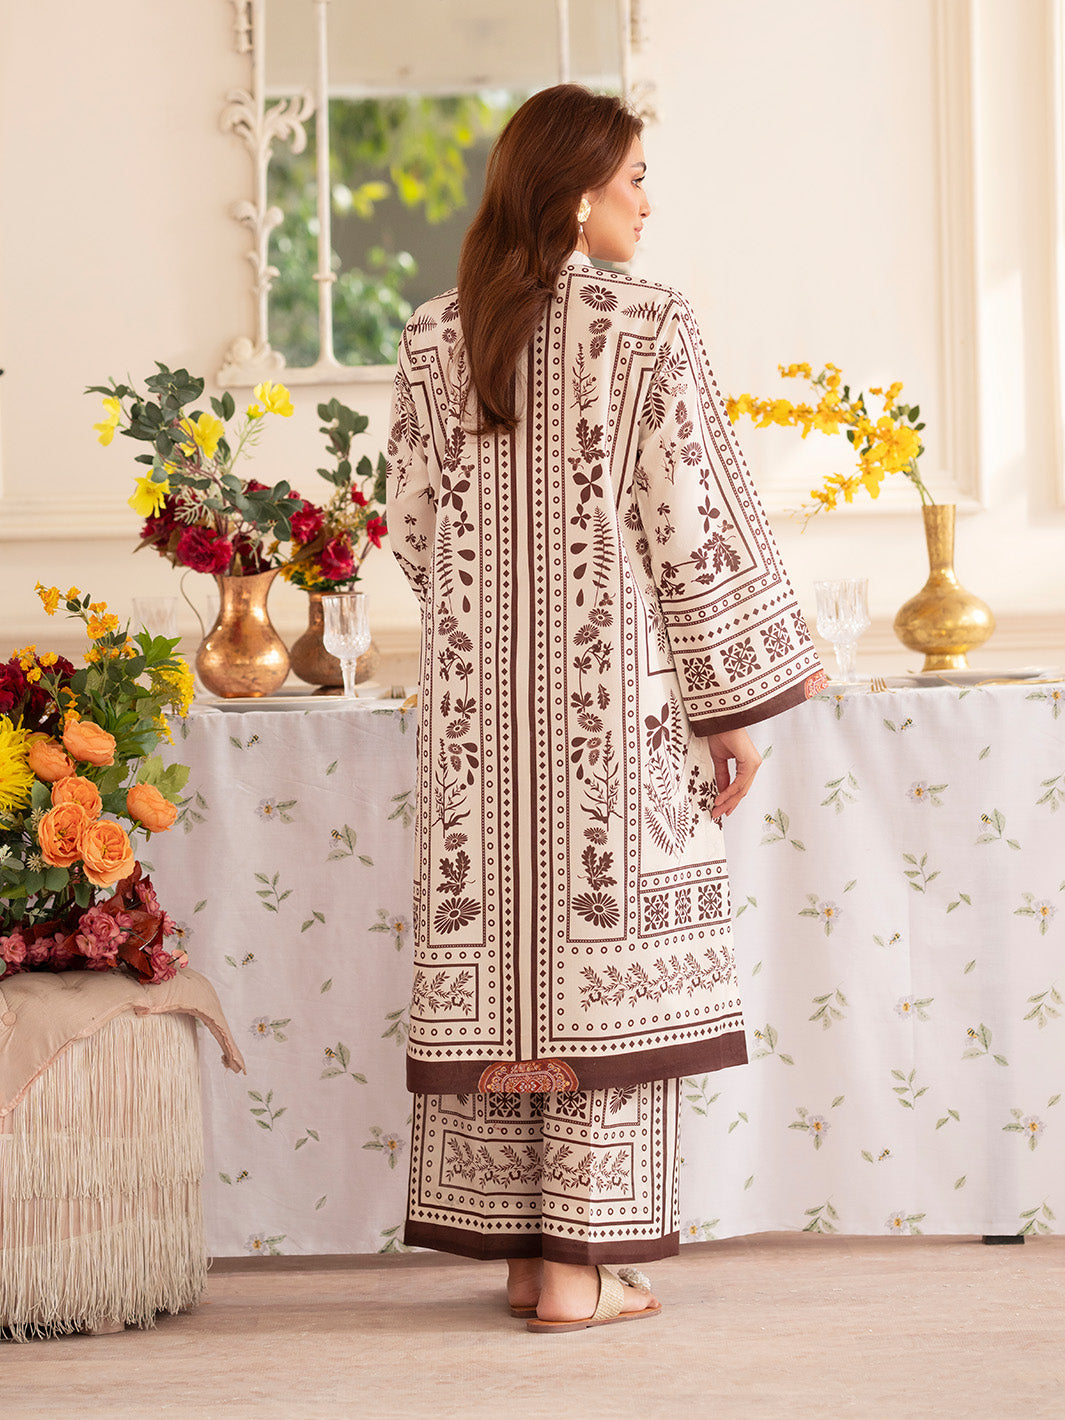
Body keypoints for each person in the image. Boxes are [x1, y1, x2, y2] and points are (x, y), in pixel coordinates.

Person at [386, 84, 825, 1333]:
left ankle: (528, 1265)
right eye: (635, 177)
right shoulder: (647, 323)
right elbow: (690, 526)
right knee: (601, 972)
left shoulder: (434, 334)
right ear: (579, 192)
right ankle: (582, 1274)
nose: (648, 200)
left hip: (474, 728)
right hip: (616, 718)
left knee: (515, 968)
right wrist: (729, 706)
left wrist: (488, 622)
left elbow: (409, 528)